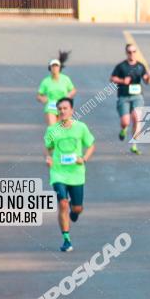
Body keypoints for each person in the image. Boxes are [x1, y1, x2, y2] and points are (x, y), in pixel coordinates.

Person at [44, 97, 95, 252]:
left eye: (65, 108)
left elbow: (91, 145)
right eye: (60, 109)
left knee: (77, 208)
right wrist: (48, 157)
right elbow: (48, 146)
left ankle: (75, 212)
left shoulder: (81, 128)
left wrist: (84, 158)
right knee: (63, 203)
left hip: (76, 174)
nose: (62, 111)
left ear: (72, 110)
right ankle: (66, 239)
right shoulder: (52, 130)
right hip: (58, 173)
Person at [110, 43, 150, 154]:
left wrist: (149, 77)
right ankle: (123, 129)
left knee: (137, 119)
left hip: (137, 96)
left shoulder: (140, 66)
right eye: (129, 52)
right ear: (126, 53)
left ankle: (134, 145)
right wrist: (123, 81)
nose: (132, 54)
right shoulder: (121, 66)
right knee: (125, 121)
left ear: (136, 53)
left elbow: (146, 81)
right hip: (124, 96)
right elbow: (112, 78)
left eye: (134, 51)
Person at [37, 51, 77, 126]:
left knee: (63, 128)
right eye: (53, 66)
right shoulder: (46, 81)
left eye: (56, 66)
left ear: (60, 68)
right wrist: (42, 99)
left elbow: (73, 90)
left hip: (64, 105)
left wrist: (68, 95)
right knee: (53, 128)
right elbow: (39, 95)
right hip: (51, 106)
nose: (55, 68)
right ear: (50, 68)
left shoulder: (65, 79)